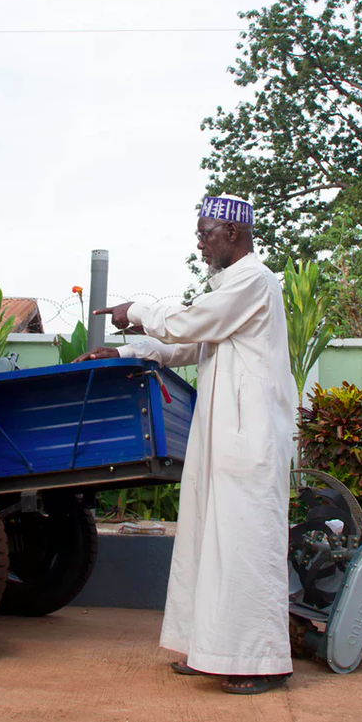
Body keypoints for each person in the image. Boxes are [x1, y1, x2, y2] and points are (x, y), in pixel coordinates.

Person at [76, 194, 298, 695]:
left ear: (235, 235)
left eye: (206, 231)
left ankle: (261, 662)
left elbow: (189, 323)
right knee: (206, 539)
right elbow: (190, 344)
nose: (199, 241)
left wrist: (140, 309)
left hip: (249, 438)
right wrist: (128, 347)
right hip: (221, 434)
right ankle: (211, 650)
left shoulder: (255, 281)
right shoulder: (232, 288)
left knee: (243, 546)